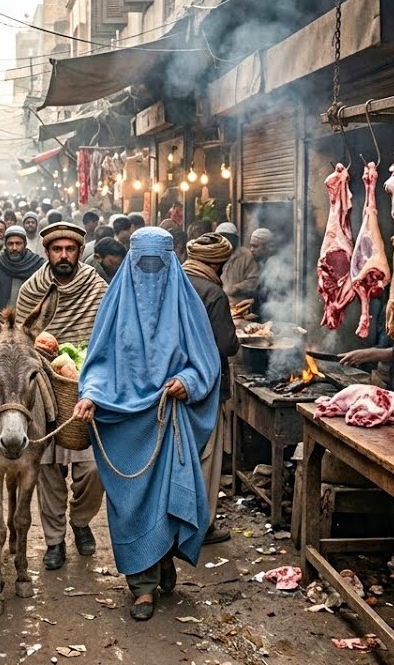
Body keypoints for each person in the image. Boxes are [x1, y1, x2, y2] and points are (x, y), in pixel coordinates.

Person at [73, 227, 222, 621]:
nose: (150, 274)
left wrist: (188, 381)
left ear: (171, 262)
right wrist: (90, 395)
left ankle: (163, 557)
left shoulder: (187, 304)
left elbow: (206, 360)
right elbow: (99, 362)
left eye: (158, 265)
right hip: (123, 424)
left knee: (170, 498)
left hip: (169, 420)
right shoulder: (115, 304)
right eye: (143, 265)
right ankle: (141, 586)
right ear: (130, 263)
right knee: (131, 505)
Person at [15, 221, 109, 570]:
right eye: (57, 249)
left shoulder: (97, 287)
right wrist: (36, 352)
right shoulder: (31, 290)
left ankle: (81, 521)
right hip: (42, 391)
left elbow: (108, 335)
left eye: (70, 249)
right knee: (48, 470)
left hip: (87, 390)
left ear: (80, 251)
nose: (64, 255)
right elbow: (19, 340)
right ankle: (54, 541)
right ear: (47, 252)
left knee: (92, 469)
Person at [181, 233, 240, 544]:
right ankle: (201, 527)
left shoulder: (175, 280)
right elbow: (226, 345)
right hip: (206, 386)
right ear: (219, 264)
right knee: (207, 460)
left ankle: (178, 519)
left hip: (177, 384)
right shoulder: (213, 293)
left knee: (181, 456)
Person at [339, 298, 394, 389]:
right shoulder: (387, 308)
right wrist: (362, 356)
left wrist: (371, 355)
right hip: (385, 382)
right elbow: (384, 344)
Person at [0, 225, 44, 312]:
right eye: (10, 244)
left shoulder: (38, 265)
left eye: (18, 243)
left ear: (25, 244)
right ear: (5, 244)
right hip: (2, 318)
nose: (14, 248)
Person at [222, 227, 269, 305]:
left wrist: (236, 288)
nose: (251, 250)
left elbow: (254, 282)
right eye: (250, 246)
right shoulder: (218, 255)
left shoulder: (248, 256)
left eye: (255, 246)